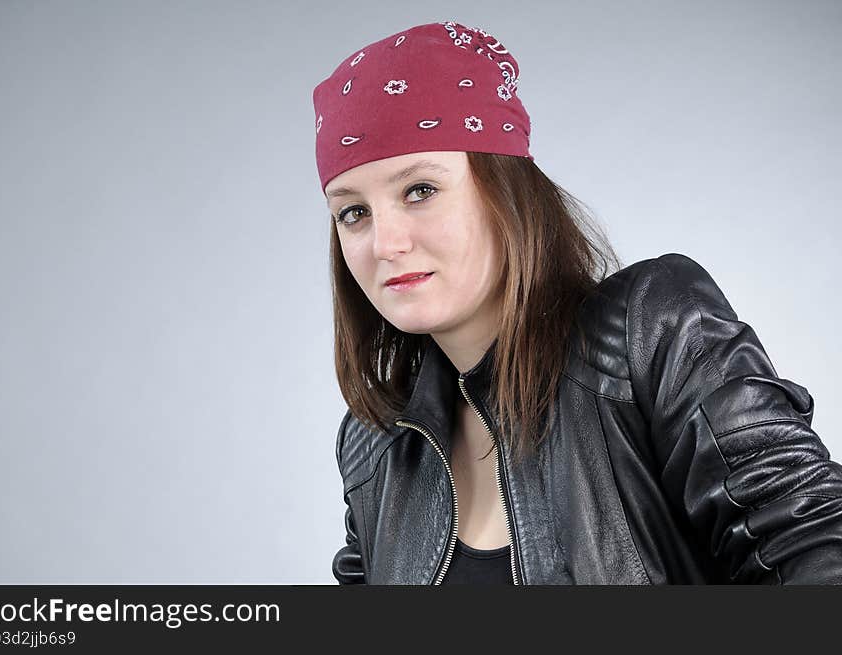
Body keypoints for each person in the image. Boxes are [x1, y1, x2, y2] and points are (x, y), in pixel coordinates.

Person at [311, 20, 842, 584]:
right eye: (354, 212)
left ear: (506, 188)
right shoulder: (375, 447)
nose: (385, 243)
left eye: (420, 190)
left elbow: (813, 547)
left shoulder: (647, 337)